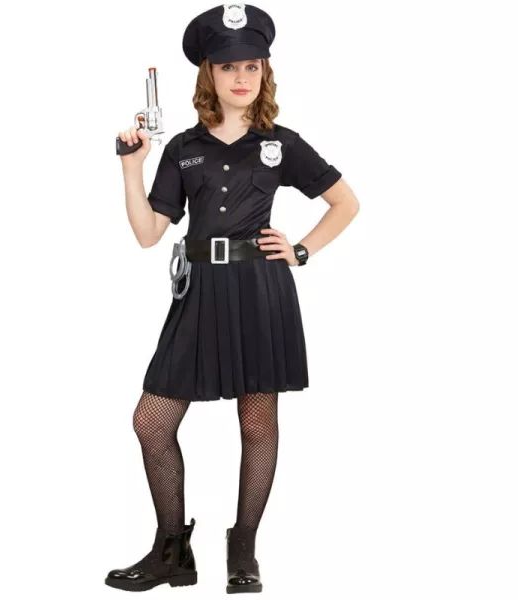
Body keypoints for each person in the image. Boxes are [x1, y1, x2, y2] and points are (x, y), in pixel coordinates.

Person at [105, 3, 359, 593]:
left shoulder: (281, 143)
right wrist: (132, 168)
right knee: (151, 422)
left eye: (251, 65)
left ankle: (243, 548)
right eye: (228, 67)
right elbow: (148, 233)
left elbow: (346, 203)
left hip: (260, 292)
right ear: (209, 74)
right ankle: (172, 549)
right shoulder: (183, 148)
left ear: (264, 71)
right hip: (199, 293)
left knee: (257, 424)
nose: (241, 77)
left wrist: (300, 250)